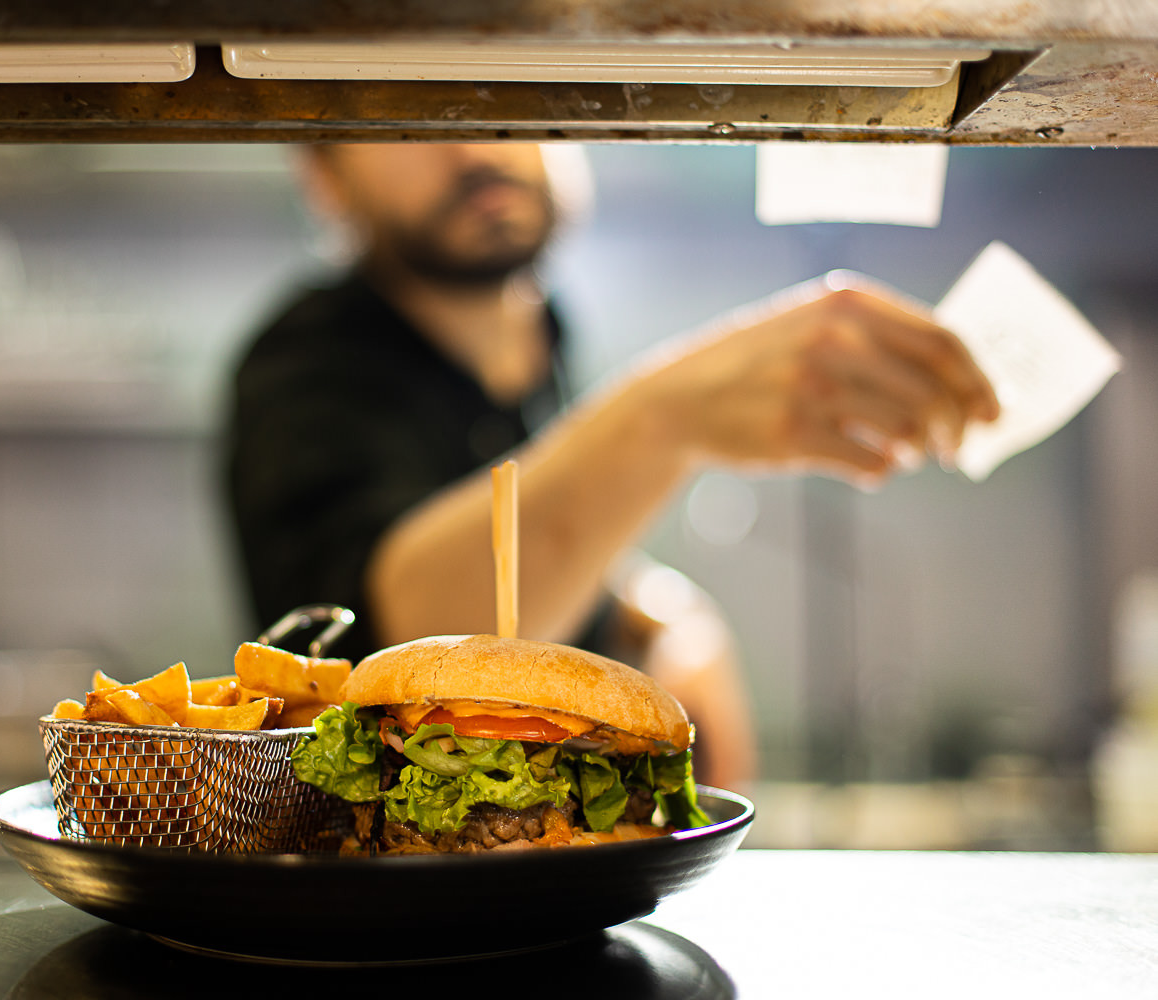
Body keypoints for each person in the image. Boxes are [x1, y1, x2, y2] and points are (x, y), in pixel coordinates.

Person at [223, 143, 999, 789]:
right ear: (323, 174)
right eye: (407, 114)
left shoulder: (546, 339)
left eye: (511, 97)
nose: (470, 144)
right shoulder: (305, 367)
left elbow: (536, 573)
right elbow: (403, 643)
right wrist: (663, 418)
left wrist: (657, 611)